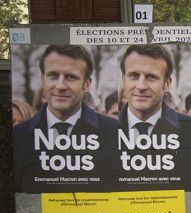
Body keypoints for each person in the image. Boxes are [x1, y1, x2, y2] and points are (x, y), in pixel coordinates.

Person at [12, 44, 118, 193]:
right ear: (43, 79)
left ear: (87, 84)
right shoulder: (17, 137)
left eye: (71, 77)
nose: (60, 86)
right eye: (53, 75)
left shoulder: (115, 133)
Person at [118, 44, 191, 191]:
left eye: (151, 77)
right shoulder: (101, 131)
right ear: (124, 80)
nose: (141, 86)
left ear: (167, 84)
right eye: (134, 76)